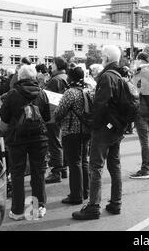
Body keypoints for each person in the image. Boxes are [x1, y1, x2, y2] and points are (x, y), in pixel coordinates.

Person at [72, 46, 127, 220]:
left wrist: (92, 124)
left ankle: (93, 206)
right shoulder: (120, 75)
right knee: (114, 165)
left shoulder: (107, 76)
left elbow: (100, 104)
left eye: (103, 56)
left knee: (96, 166)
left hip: (104, 128)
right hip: (116, 127)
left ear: (106, 57)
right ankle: (116, 203)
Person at [0, 65, 51, 220]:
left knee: (17, 173)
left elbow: (4, 118)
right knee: (38, 172)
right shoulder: (42, 93)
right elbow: (47, 117)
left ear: (19, 77)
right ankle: (37, 208)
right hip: (39, 138)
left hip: (17, 139)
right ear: (35, 77)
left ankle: (17, 211)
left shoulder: (12, 94)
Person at [54, 66, 91, 205]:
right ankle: (85, 192)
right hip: (86, 131)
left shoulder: (70, 92)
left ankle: (76, 195)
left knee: (74, 163)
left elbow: (59, 112)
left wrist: (56, 118)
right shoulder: (87, 90)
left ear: (71, 78)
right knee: (83, 161)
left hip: (71, 131)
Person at [130, 52, 149, 179]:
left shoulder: (139, 73)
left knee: (145, 141)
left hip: (141, 110)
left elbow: (134, 92)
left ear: (140, 60)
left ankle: (144, 170)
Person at [45, 57, 69, 184]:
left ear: (58, 65)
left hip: (52, 115)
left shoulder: (55, 80)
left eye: (53, 64)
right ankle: (63, 168)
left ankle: (56, 172)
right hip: (63, 114)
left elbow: (46, 98)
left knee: (54, 144)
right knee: (61, 142)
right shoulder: (65, 77)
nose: (51, 66)